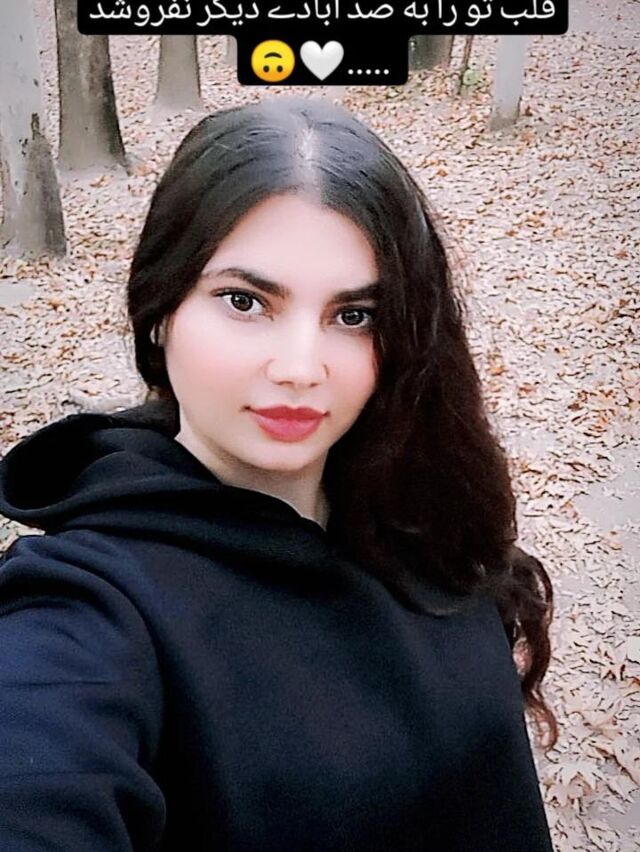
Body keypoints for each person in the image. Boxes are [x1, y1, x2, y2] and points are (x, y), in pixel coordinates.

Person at [0, 95, 558, 851]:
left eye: (353, 315)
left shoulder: (416, 506)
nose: (300, 368)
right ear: (160, 310)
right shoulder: (89, 607)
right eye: (245, 301)